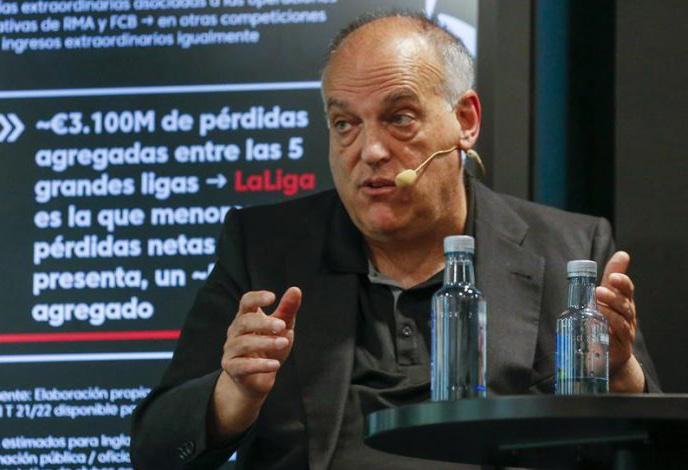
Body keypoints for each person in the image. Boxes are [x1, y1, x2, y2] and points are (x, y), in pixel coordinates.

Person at [130, 11, 660, 469]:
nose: (371, 151)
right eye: (345, 124)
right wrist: (233, 396)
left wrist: (618, 375)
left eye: (399, 118)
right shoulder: (265, 249)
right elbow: (154, 448)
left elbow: (653, 447)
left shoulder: (570, 249)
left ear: (465, 121)